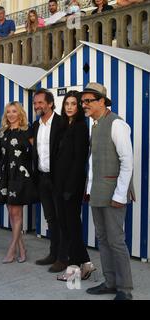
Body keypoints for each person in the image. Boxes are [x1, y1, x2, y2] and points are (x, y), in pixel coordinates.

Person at [82, 83, 134, 301]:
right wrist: (88, 189)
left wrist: (120, 195)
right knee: (102, 239)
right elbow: (94, 162)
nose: (84, 105)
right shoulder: (95, 124)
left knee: (116, 241)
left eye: (88, 101)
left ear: (102, 101)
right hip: (97, 192)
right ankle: (110, 282)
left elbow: (127, 161)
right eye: (83, 101)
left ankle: (125, 289)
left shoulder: (117, 124)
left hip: (114, 193)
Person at [54, 91, 96, 281]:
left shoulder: (80, 127)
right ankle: (86, 263)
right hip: (59, 185)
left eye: (73, 104)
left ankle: (74, 268)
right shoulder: (63, 126)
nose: (70, 107)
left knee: (71, 226)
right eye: (67, 104)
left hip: (71, 186)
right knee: (67, 226)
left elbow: (79, 162)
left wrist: (70, 189)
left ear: (79, 107)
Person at [0, 102, 37, 263]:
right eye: (8, 112)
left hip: (20, 176)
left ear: (20, 114)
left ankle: (12, 250)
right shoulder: (3, 132)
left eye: (14, 111)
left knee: (17, 214)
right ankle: (22, 248)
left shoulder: (27, 131)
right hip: (5, 175)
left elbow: (37, 153)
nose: (11, 114)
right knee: (11, 213)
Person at [32, 89, 67, 272]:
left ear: (50, 103)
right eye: (35, 103)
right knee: (50, 219)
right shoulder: (36, 125)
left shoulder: (62, 123)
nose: (37, 106)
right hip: (42, 178)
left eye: (40, 102)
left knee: (62, 219)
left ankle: (63, 258)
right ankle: (53, 254)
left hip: (58, 180)